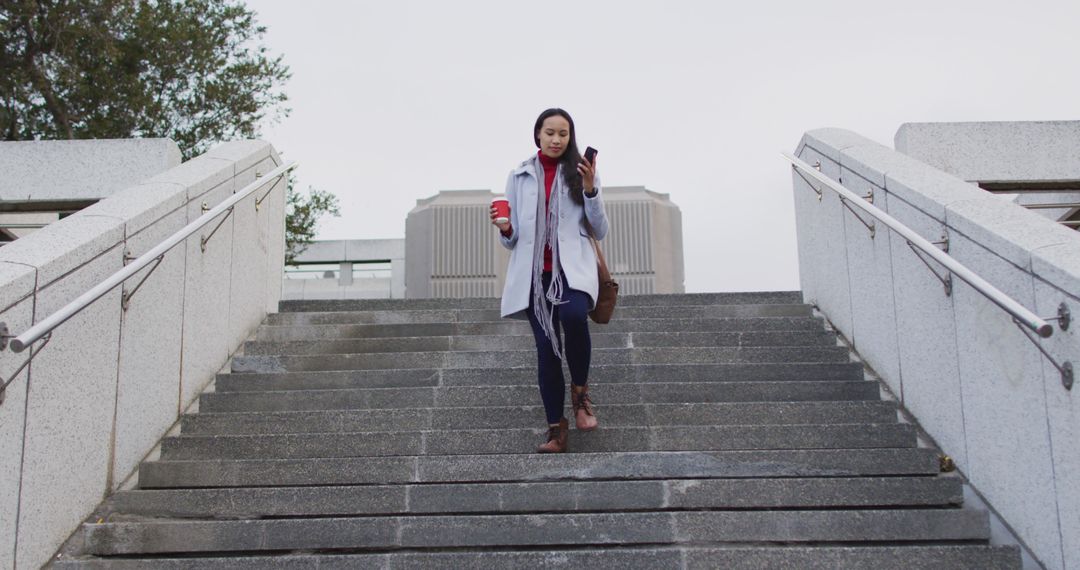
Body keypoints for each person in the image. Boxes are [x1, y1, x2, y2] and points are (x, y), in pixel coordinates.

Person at [490, 108, 609, 453]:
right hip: (533, 277)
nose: (557, 139)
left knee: (573, 316)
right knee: (547, 351)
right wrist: (506, 228)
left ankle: (581, 392)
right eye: (550, 132)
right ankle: (556, 430)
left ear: (571, 138)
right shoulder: (520, 175)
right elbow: (511, 240)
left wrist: (590, 191)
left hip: (570, 272)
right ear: (537, 135)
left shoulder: (582, 173)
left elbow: (598, 229)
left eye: (564, 134)